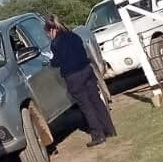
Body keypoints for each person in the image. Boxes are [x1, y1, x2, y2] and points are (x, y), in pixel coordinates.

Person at [44, 14, 116, 147]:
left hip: (73, 76)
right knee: (96, 100)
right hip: (87, 70)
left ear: (52, 30)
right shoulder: (74, 36)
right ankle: (109, 129)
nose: (49, 36)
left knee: (86, 106)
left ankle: (98, 134)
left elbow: (56, 62)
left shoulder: (55, 44)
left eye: (48, 34)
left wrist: (51, 59)